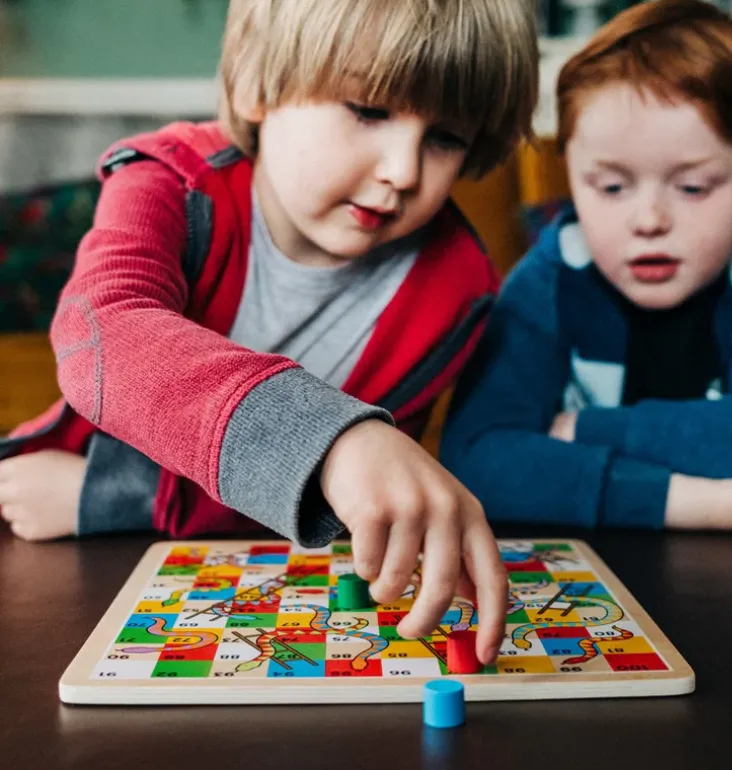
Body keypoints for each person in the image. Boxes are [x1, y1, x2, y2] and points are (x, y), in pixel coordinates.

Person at [0, 0, 541, 660]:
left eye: (445, 137)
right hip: (52, 543)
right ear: (259, 85)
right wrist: (335, 441)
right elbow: (103, 336)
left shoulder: (457, 295)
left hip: (225, 574)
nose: (403, 170)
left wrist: (116, 498)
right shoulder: (170, 180)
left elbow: (337, 514)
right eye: (369, 110)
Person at [441, 0, 732, 533]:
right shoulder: (549, 281)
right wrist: (715, 503)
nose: (649, 219)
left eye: (693, 187)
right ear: (570, 173)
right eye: (611, 186)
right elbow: (477, 460)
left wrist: (586, 430)